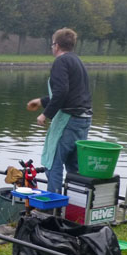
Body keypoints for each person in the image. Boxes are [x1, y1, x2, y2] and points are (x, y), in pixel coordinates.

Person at [27, 28, 92, 194]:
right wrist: (41, 101)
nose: (52, 47)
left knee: (53, 164)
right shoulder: (77, 61)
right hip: (83, 120)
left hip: (68, 121)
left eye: (52, 44)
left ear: (56, 45)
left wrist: (44, 114)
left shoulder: (60, 62)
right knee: (73, 166)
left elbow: (62, 92)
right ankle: (75, 204)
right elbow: (71, 94)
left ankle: (53, 208)